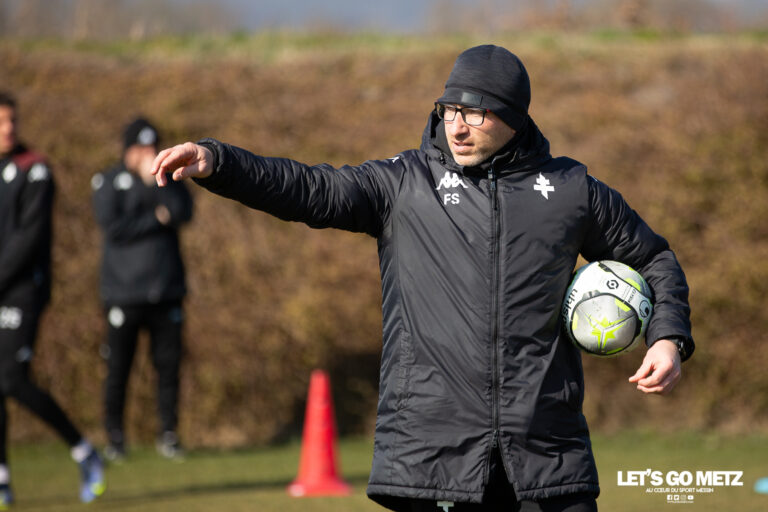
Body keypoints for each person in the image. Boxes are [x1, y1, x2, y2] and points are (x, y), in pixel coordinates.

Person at [151, 45, 695, 511]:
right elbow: (309, 190)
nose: (457, 126)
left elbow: (653, 258)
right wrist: (219, 163)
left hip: (548, 457)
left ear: (513, 118)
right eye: (450, 109)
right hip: (432, 460)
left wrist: (666, 337)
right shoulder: (403, 184)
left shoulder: (571, 189)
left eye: (476, 113)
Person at [0, 91, 105, 506]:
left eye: (12, 120)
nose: (8, 128)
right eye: (0, 122)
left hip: (22, 290)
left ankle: (84, 451)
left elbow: (28, 238)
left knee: (10, 379)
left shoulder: (35, 169)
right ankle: (2, 478)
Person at [92, 118, 193, 462]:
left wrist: (155, 187)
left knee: (168, 367)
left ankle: (168, 434)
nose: (150, 153)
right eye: (143, 148)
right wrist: (156, 219)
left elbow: (182, 212)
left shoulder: (168, 180)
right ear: (128, 150)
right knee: (118, 368)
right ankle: (115, 437)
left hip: (166, 290)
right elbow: (114, 227)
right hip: (123, 293)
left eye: (153, 147)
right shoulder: (109, 180)